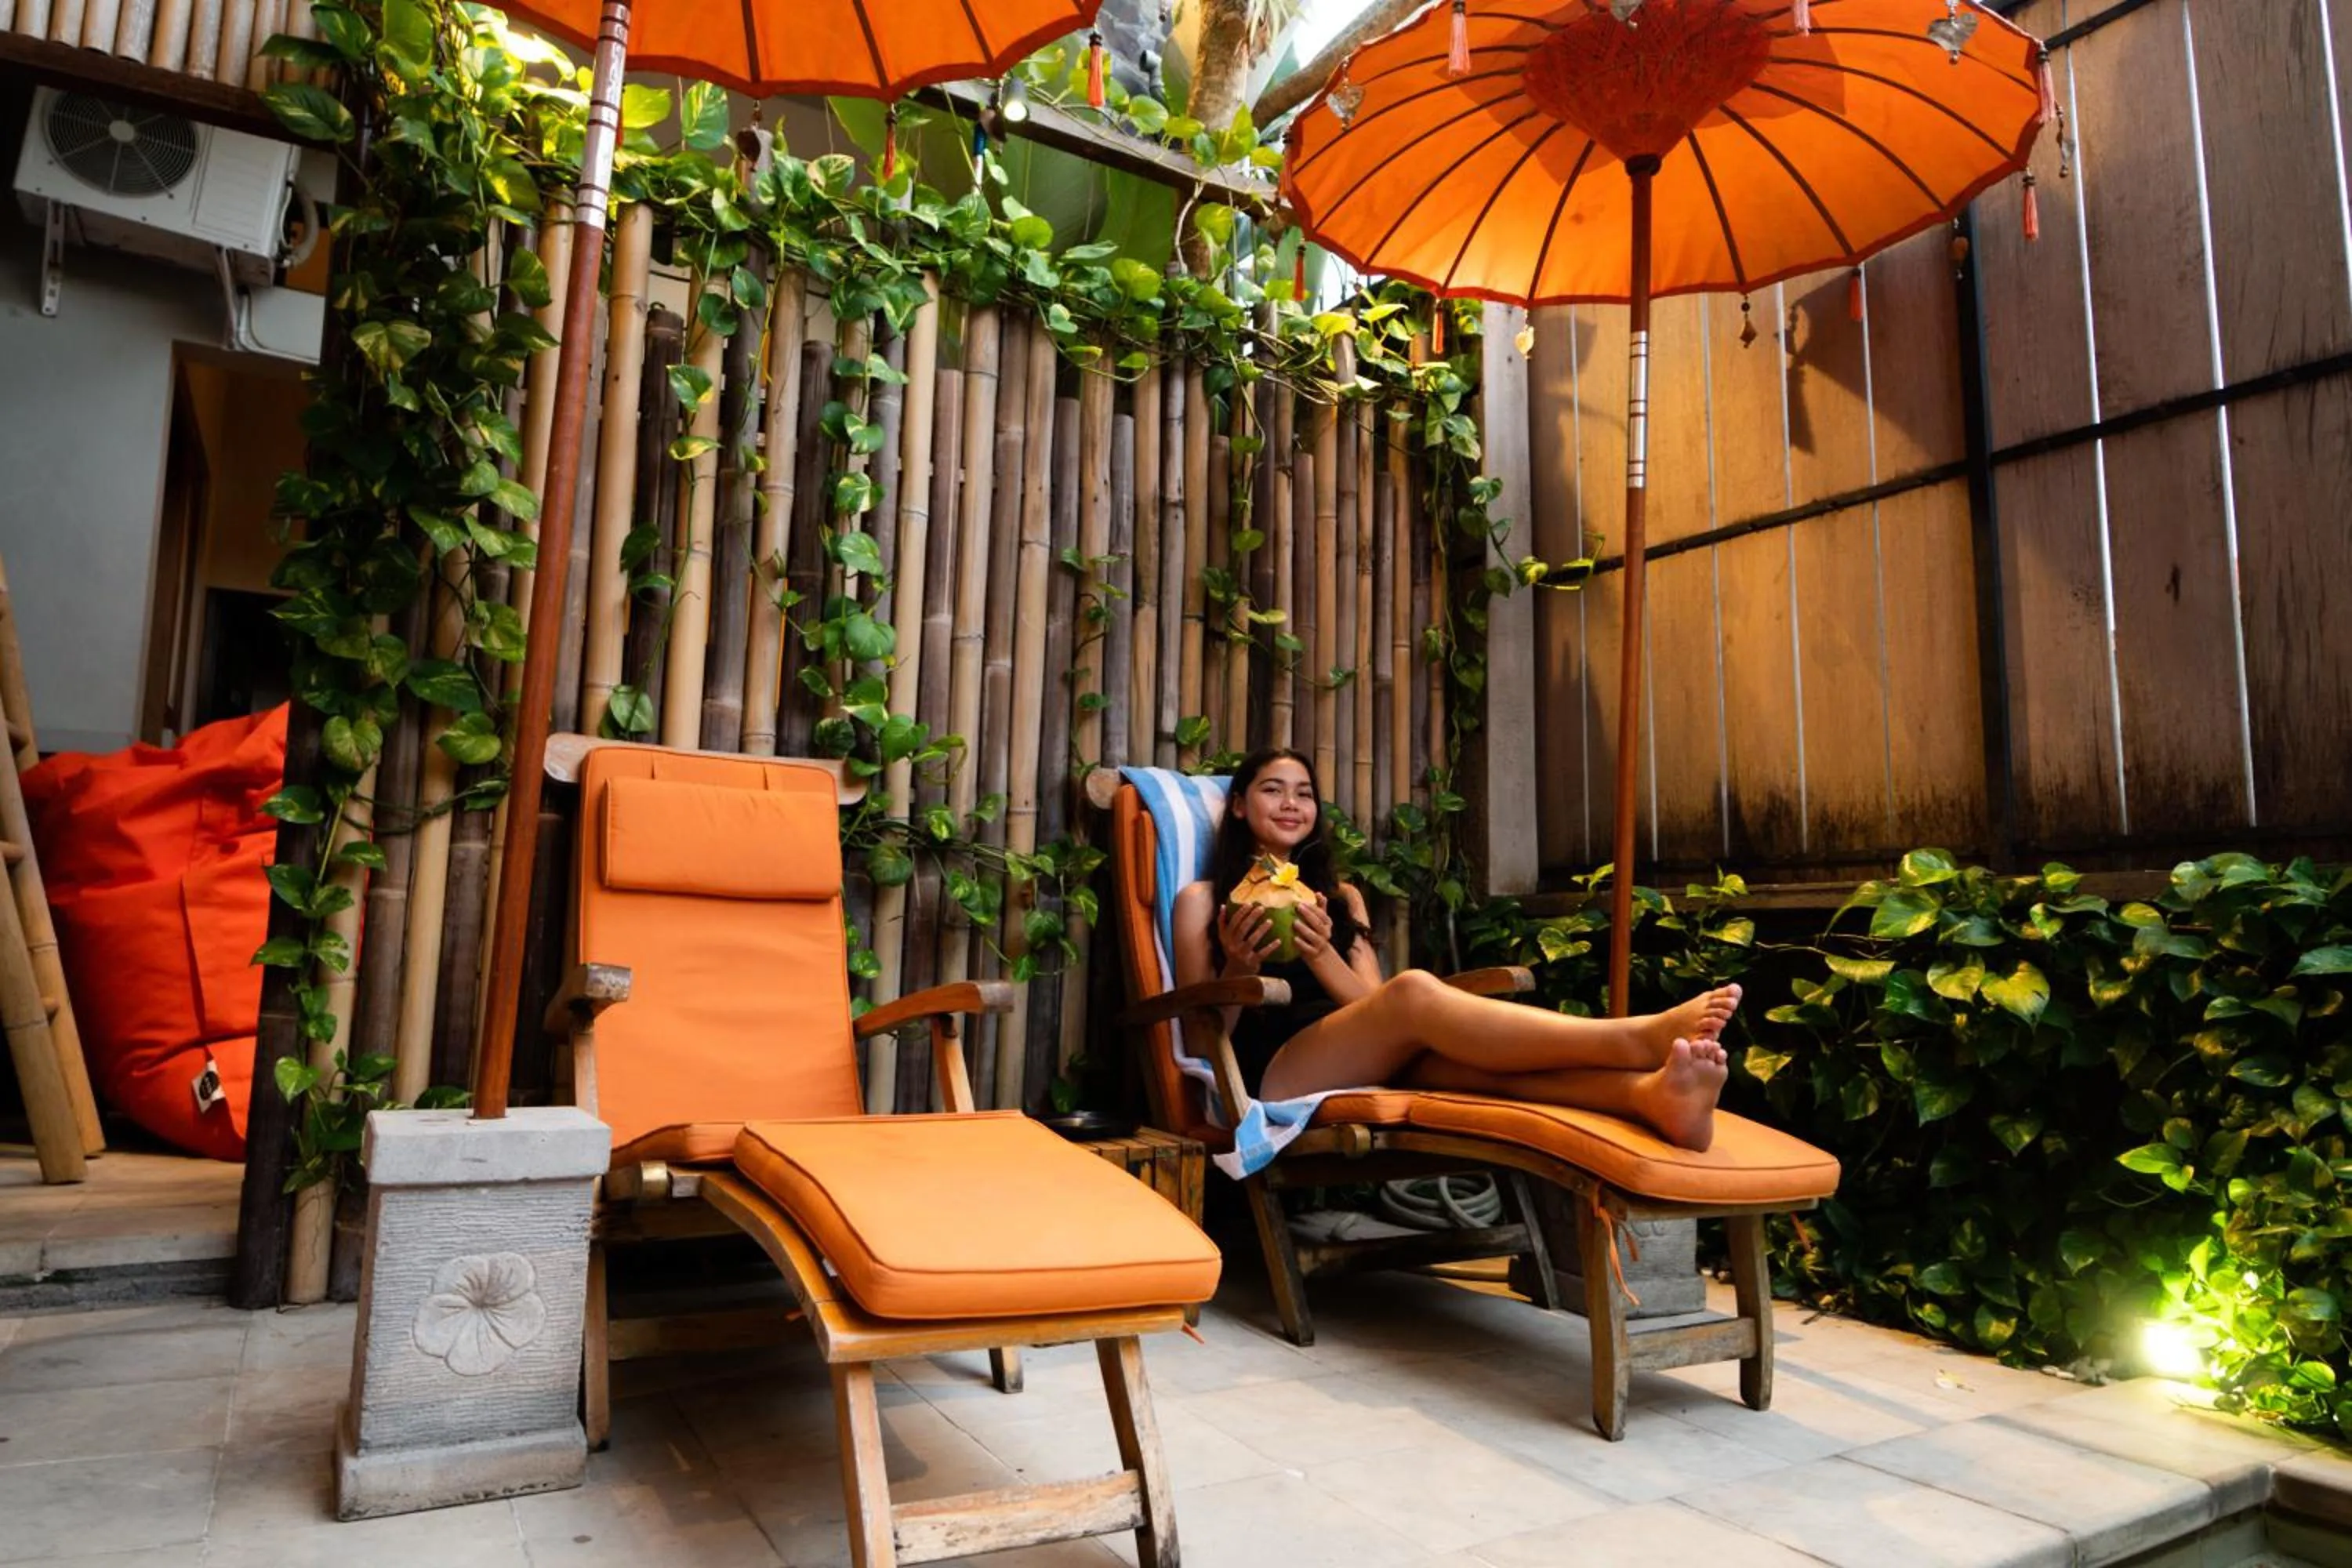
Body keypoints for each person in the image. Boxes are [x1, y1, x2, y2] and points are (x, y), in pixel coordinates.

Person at [1171, 747, 1740, 1152]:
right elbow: (1201, 1038)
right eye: (1273, 789)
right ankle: (1636, 1037)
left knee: (1471, 1068)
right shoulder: (1204, 900)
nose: (1292, 803)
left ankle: (1653, 1098)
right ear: (1240, 806)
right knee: (1415, 989)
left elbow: (1368, 1006)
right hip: (1272, 1069)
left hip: (1357, 1050)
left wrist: (1322, 954)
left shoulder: (1341, 898)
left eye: (1305, 793)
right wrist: (1241, 962)